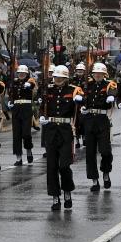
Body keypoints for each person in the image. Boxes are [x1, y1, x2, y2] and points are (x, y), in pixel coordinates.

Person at [39, 65, 81, 211]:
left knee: (64, 165)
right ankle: (55, 197)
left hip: (65, 131)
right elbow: (41, 107)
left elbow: (78, 112)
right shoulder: (47, 91)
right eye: (55, 77)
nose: (57, 80)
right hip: (51, 131)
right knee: (51, 166)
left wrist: (80, 101)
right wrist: (42, 117)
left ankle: (67, 191)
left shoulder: (73, 91)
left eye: (60, 77)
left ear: (66, 78)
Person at [81, 62, 116, 192]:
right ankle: (94, 180)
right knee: (90, 152)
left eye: (100, 73)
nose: (97, 75)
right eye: (96, 73)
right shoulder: (87, 85)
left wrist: (111, 97)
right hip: (89, 120)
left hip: (102, 120)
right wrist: (83, 106)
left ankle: (106, 172)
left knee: (105, 150)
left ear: (104, 74)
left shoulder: (109, 85)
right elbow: (83, 98)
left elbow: (114, 91)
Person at [8, 64, 37, 166]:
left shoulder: (30, 81)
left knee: (26, 133)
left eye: (23, 73)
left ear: (26, 73)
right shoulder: (14, 82)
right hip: (16, 109)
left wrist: (30, 85)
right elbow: (11, 93)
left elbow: (33, 85)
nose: (21, 74)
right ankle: (18, 157)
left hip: (26, 108)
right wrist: (10, 102)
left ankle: (28, 149)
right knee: (16, 134)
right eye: (19, 73)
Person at [71, 62, 88, 149]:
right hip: (75, 103)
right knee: (76, 122)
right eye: (78, 70)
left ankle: (84, 137)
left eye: (81, 71)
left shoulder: (87, 80)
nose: (80, 72)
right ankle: (77, 140)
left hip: (83, 103)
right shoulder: (73, 80)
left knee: (84, 121)